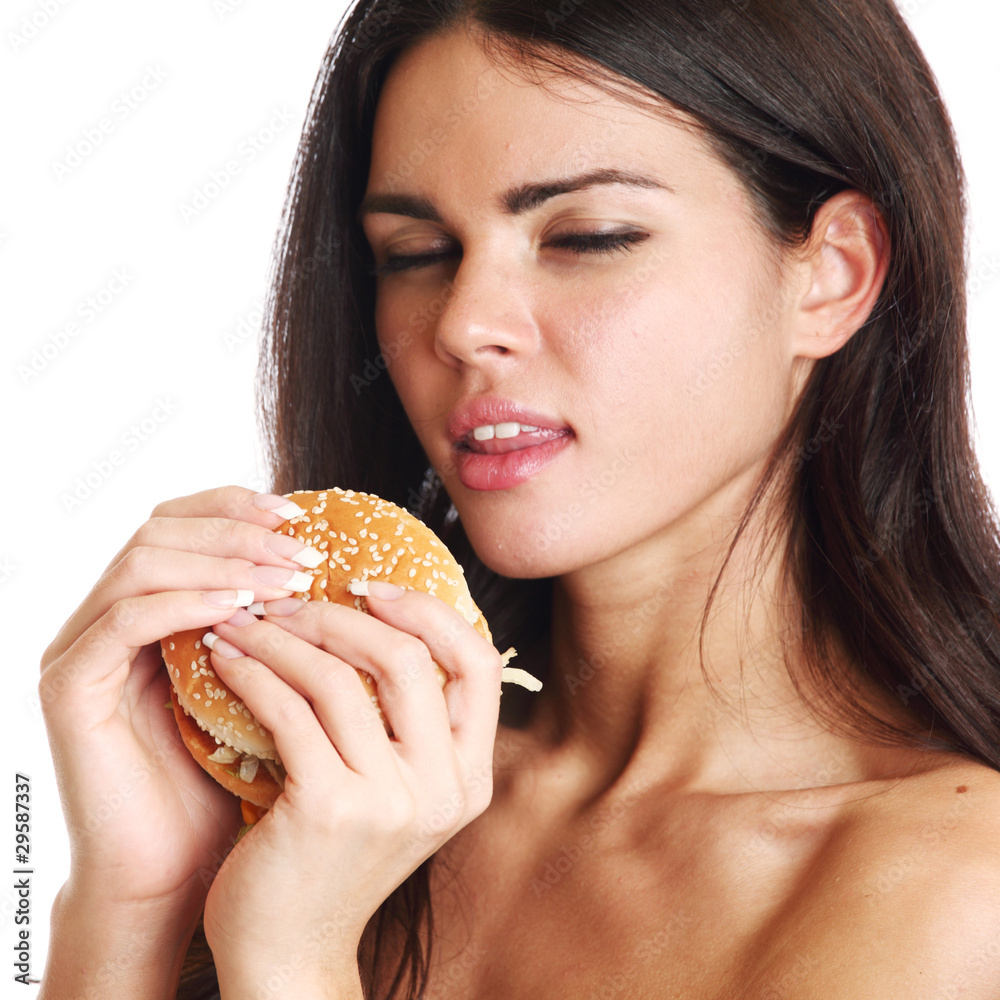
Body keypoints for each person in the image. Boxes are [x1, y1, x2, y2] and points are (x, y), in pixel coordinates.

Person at [37, 0, 1000, 997]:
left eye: (586, 235)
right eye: (413, 254)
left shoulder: (952, 890)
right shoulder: (333, 784)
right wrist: (134, 902)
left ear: (831, 278)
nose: (462, 323)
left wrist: (292, 959)